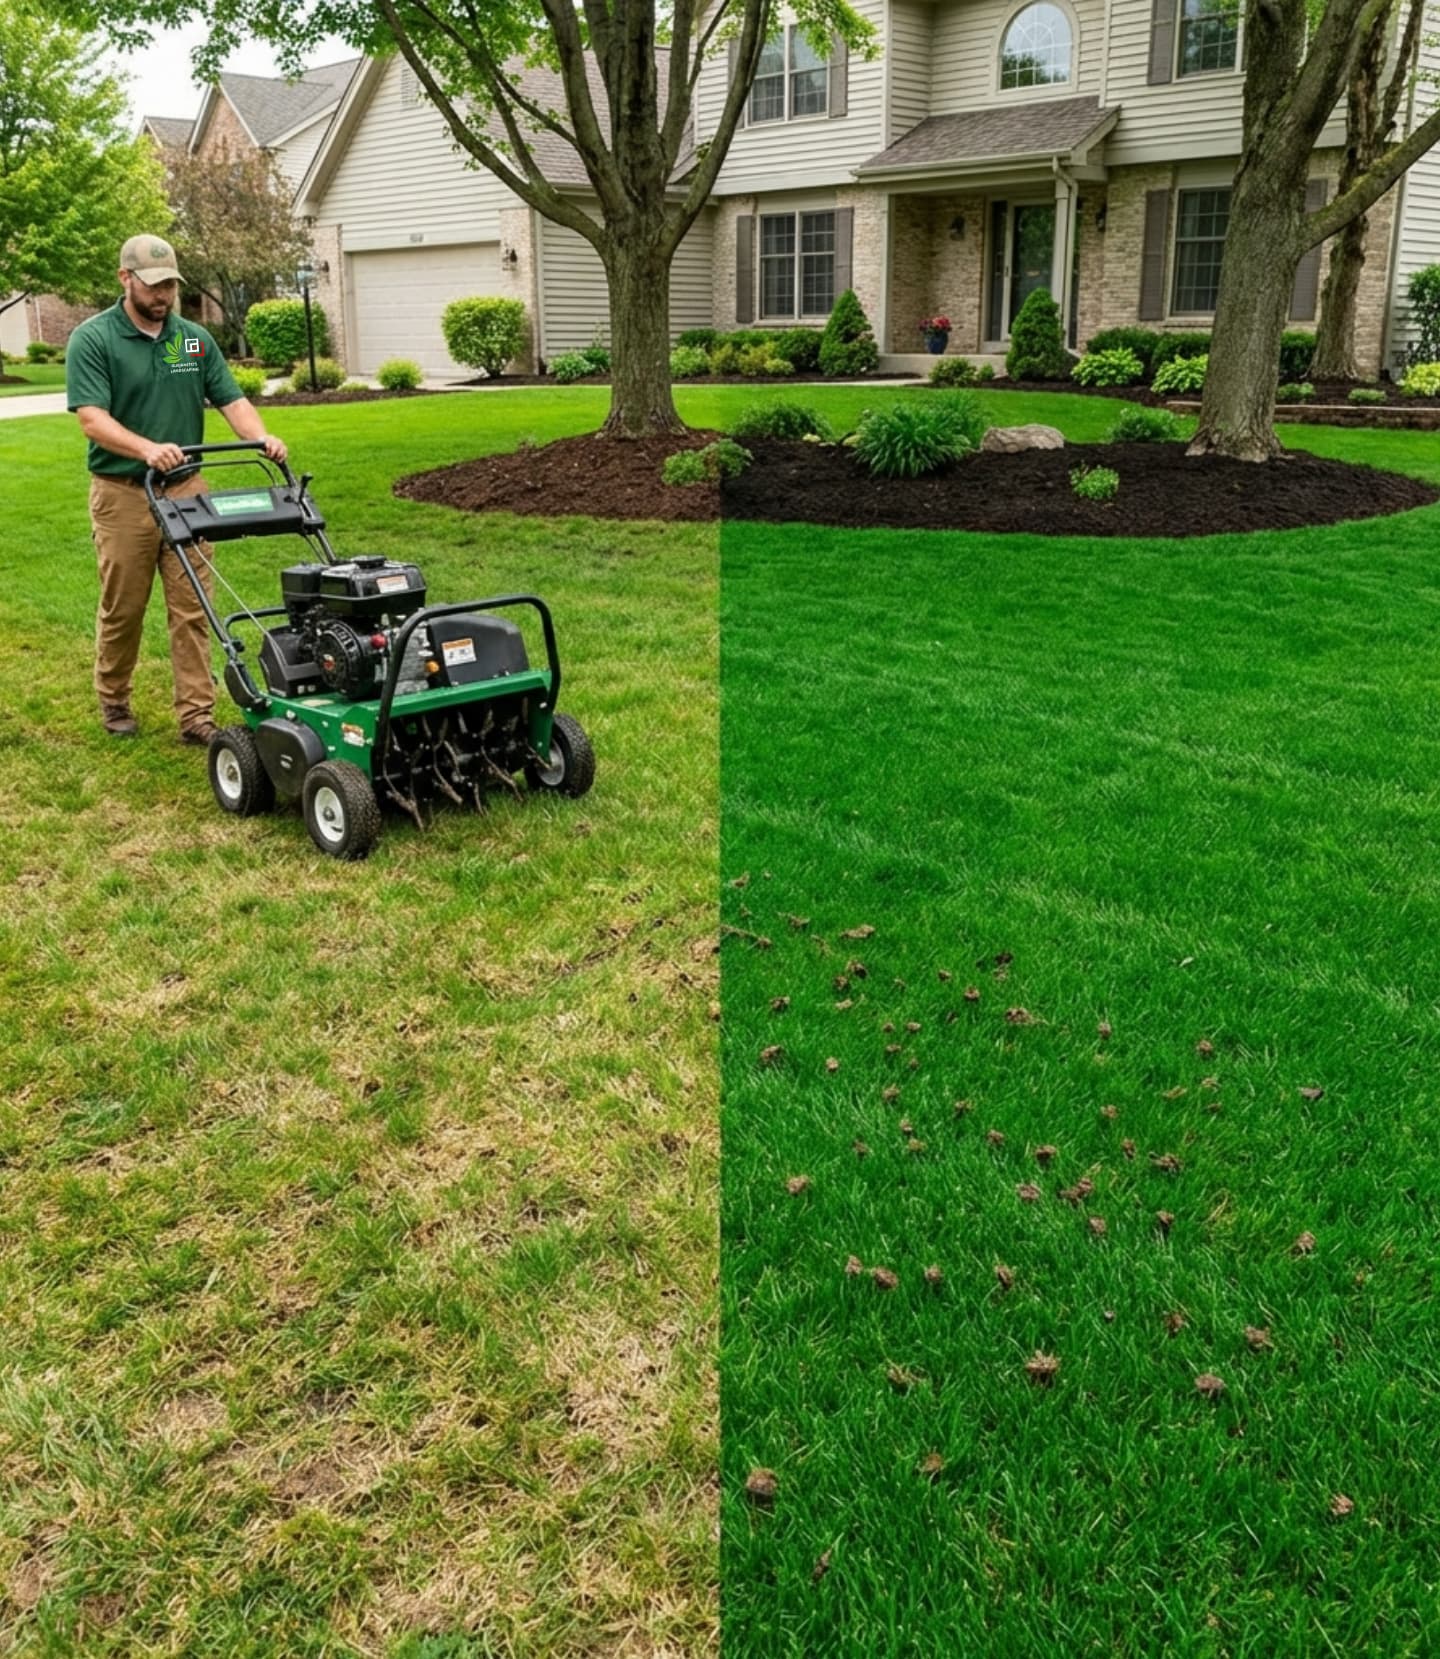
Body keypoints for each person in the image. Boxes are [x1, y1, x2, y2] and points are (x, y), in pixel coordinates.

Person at [65, 233, 288, 743]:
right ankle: (114, 698)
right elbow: (92, 420)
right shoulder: (95, 339)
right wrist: (147, 448)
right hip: (124, 492)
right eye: (153, 284)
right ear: (125, 279)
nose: (163, 295)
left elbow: (230, 400)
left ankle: (196, 716)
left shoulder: (191, 340)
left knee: (193, 608)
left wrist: (261, 438)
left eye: (170, 284)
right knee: (125, 607)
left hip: (187, 489)